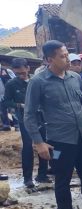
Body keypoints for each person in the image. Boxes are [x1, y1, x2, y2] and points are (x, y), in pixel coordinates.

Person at [23, 40, 82, 209]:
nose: (67, 60)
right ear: (48, 59)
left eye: (66, 55)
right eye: (62, 56)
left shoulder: (75, 78)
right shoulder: (38, 82)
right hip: (58, 142)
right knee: (62, 181)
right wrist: (39, 142)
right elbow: (29, 115)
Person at [2, 58, 50, 188]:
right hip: (25, 119)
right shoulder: (11, 84)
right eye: (18, 74)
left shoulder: (37, 81)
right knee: (28, 146)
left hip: (41, 117)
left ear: (28, 68)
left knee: (45, 143)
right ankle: (27, 178)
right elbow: (6, 102)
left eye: (23, 73)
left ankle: (43, 174)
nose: (21, 76)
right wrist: (19, 105)